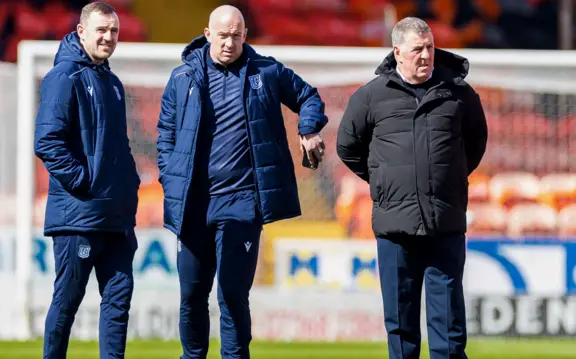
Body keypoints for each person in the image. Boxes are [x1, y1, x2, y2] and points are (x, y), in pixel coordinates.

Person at [157, 5, 327, 358]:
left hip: (241, 203)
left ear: (245, 36)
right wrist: (169, 177)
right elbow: (165, 136)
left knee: (232, 294)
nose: (229, 43)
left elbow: (308, 96)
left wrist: (308, 129)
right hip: (193, 204)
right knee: (191, 295)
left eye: (236, 36)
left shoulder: (265, 71)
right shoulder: (181, 77)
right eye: (222, 35)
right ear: (207, 34)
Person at [336, 17, 488, 359]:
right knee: (401, 328)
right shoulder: (370, 97)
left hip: (444, 225)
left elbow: (476, 143)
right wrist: (385, 180)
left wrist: (450, 178)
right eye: (417, 49)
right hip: (395, 228)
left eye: (430, 47)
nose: (425, 55)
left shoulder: (460, 94)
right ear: (397, 52)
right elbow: (347, 147)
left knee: (449, 329)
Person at [34, 3, 140, 358]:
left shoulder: (112, 83)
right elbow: (47, 141)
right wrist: (84, 182)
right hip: (78, 215)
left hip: (116, 217)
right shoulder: (64, 76)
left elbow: (118, 146)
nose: (108, 37)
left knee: (118, 304)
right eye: (101, 30)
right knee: (67, 302)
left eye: (114, 31)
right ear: (81, 32)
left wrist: (129, 187)